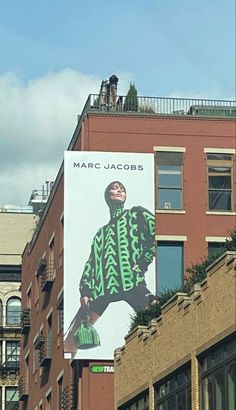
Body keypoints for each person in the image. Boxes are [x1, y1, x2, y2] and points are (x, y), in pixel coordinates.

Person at [64, 181, 156, 355]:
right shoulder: (101, 233)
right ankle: (68, 366)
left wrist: (143, 261)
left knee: (156, 318)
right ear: (107, 195)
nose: (119, 190)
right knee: (74, 335)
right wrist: (85, 291)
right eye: (115, 187)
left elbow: (157, 233)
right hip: (102, 288)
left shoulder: (136, 214)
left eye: (123, 188)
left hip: (132, 282)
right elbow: (91, 264)